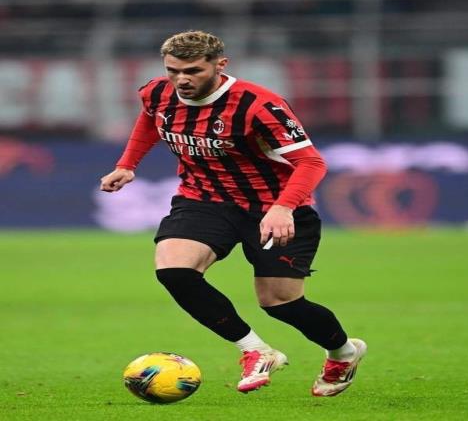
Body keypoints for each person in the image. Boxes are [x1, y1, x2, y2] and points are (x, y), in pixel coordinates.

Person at [100, 30, 366, 396]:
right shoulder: (157, 92)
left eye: (193, 70)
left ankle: (344, 352)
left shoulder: (259, 105)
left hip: (274, 207)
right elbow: (150, 119)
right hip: (204, 199)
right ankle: (256, 350)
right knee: (174, 271)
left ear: (220, 65)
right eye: (173, 70)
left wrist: (283, 207)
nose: (181, 79)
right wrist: (127, 164)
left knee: (280, 303)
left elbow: (311, 162)